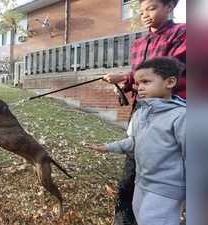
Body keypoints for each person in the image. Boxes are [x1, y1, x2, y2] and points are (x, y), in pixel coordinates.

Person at [102, 0, 186, 223]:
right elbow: (139, 77)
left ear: (169, 7)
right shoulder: (139, 42)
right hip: (141, 110)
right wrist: (126, 80)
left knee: (162, 165)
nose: (145, 15)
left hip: (167, 112)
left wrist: (128, 78)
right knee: (133, 163)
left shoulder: (183, 33)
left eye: (151, 8)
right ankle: (127, 215)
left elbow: (170, 71)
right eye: (141, 11)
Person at [88, 57, 185, 225]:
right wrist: (108, 147)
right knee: (140, 218)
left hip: (166, 189)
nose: (140, 87)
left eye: (146, 82)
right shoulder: (140, 113)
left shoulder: (181, 116)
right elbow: (133, 142)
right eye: (138, 83)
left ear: (170, 82)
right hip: (141, 182)